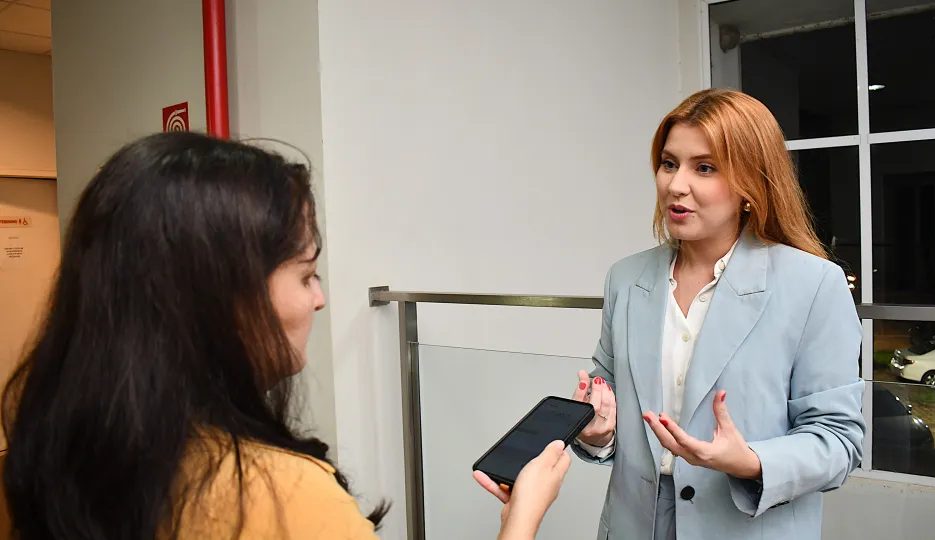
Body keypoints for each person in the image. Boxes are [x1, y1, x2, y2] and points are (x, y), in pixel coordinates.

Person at [0, 132, 569, 539]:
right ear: (221, 296)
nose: (320, 298)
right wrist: (520, 523)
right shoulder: (284, 499)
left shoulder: (56, 455)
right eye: (305, 274)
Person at [569, 89, 865, 539]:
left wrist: (749, 461)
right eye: (669, 163)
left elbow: (839, 441)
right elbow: (607, 403)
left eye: (703, 167)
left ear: (751, 183)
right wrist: (596, 431)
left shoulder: (813, 285)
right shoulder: (625, 279)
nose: (675, 184)